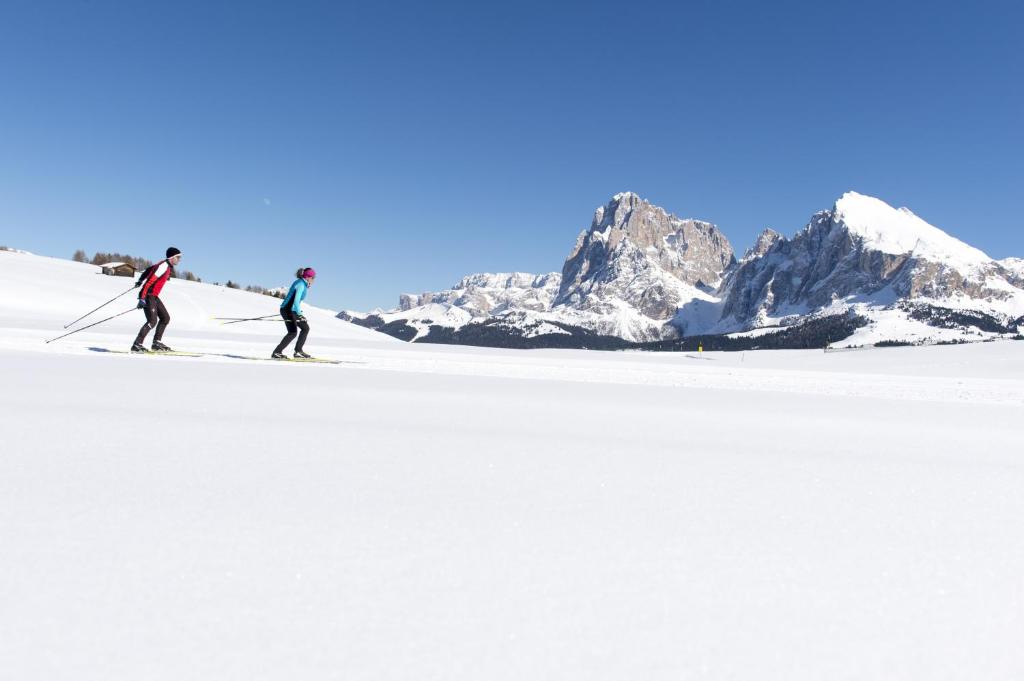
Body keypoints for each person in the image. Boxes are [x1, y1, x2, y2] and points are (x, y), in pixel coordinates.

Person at [131, 247, 182, 353]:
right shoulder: (163, 266)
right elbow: (149, 282)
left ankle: (156, 343)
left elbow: (148, 270)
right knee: (152, 321)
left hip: (153, 296)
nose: (179, 259)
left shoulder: (165, 265)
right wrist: (142, 298)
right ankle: (137, 345)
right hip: (148, 295)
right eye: (178, 257)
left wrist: (140, 280)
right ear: (172, 257)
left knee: (165, 318)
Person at [272, 267, 316, 359]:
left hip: (292, 310)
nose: (313, 280)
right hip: (287, 310)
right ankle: (277, 352)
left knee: (305, 328)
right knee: (292, 332)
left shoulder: (302, 283)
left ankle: (298, 351)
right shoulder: (300, 284)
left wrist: (299, 313)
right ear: (307, 277)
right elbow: (296, 301)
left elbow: (296, 302)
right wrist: (299, 314)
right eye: (313, 277)